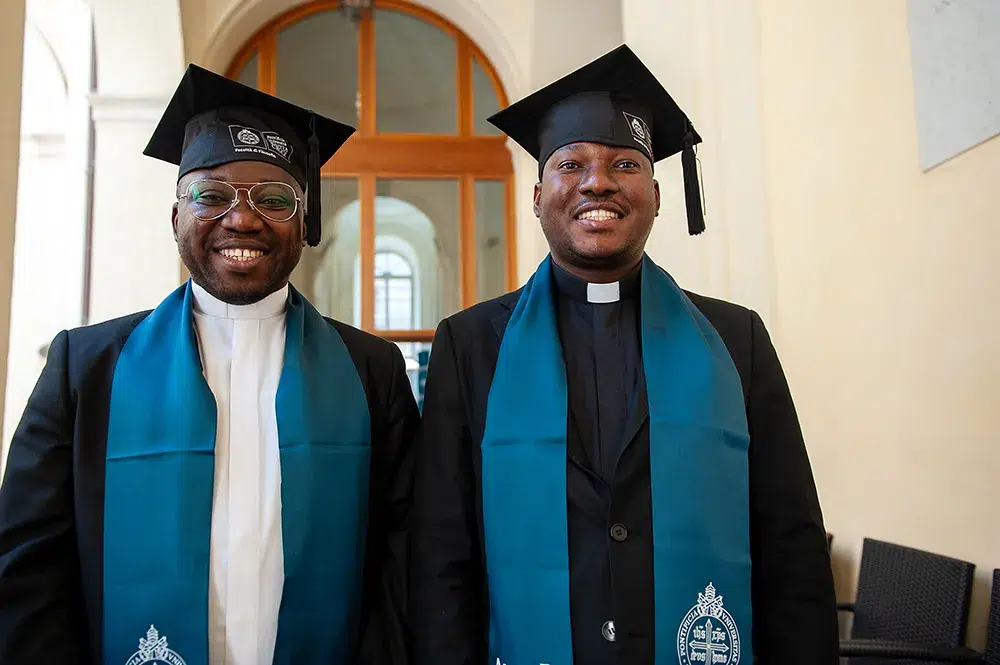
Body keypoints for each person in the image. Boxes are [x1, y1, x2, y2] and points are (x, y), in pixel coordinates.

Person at [408, 44, 838, 665]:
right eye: (572, 163)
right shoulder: (472, 345)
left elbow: (790, 544)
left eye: (625, 164)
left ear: (658, 195)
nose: (598, 181)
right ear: (537, 196)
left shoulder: (735, 340)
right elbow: (442, 554)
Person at [0, 64, 418, 665]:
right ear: (176, 219)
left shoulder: (370, 371)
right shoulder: (85, 369)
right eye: (211, 196)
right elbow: (29, 566)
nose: (242, 219)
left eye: (274, 199)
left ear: (305, 225)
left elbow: (402, 553)